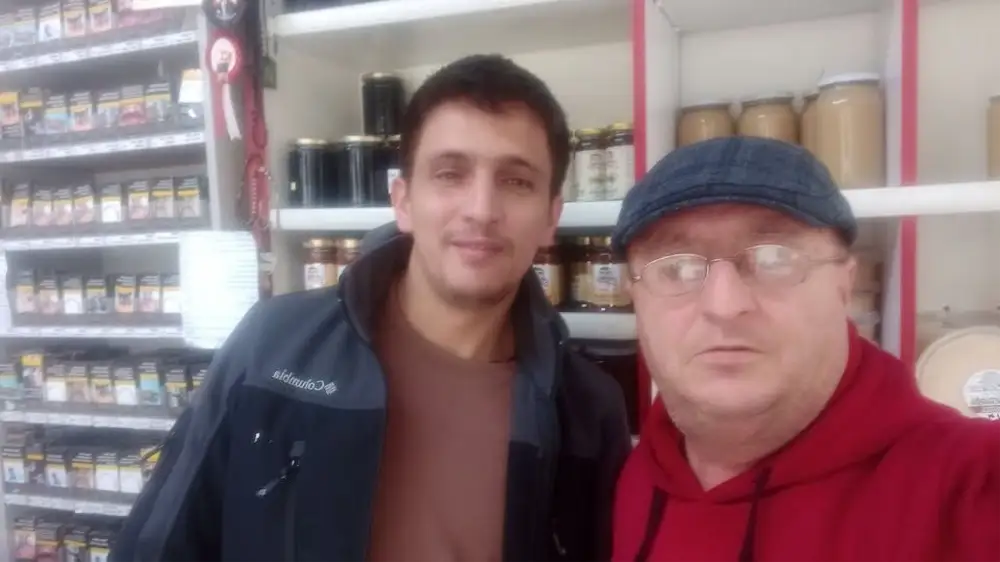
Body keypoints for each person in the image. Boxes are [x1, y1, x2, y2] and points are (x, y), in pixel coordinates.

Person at [111, 54, 630, 562]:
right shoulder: (272, 348)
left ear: (550, 217)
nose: (481, 210)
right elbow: (158, 546)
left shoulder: (586, 411)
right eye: (450, 174)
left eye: (516, 181)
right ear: (403, 201)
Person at [610, 136, 1000, 562]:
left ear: (844, 285)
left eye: (775, 259)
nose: (724, 306)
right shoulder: (638, 476)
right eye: (675, 269)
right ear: (635, 297)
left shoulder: (969, 485)